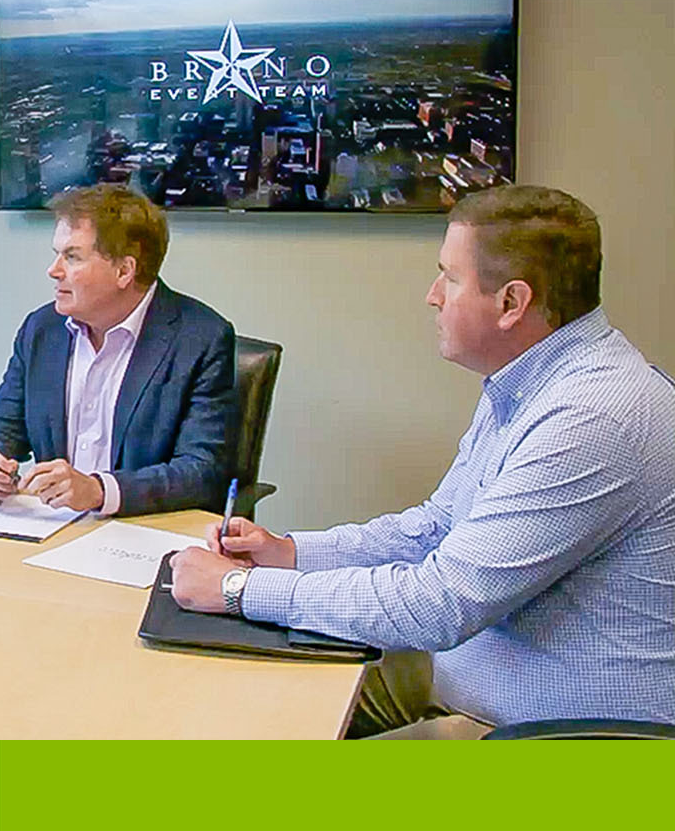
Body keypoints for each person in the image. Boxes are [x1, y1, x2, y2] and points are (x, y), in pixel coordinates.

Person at [169, 185, 675, 733]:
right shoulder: (531, 384)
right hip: (470, 678)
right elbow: (434, 528)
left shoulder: (591, 418)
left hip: (556, 739)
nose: (433, 295)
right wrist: (289, 553)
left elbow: (440, 603)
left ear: (511, 303)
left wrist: (237, 591)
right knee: (242, 707)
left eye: (450, 277)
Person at [0, 184, 237, 517]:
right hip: (52, 529)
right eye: (57, 253)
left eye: (72, 257)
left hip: (145, 531)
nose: (54, 270)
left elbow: (202, 472)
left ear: (124, 271)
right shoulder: (42, 330)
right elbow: (0, 426)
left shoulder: (201, 339)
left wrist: (98, 490)